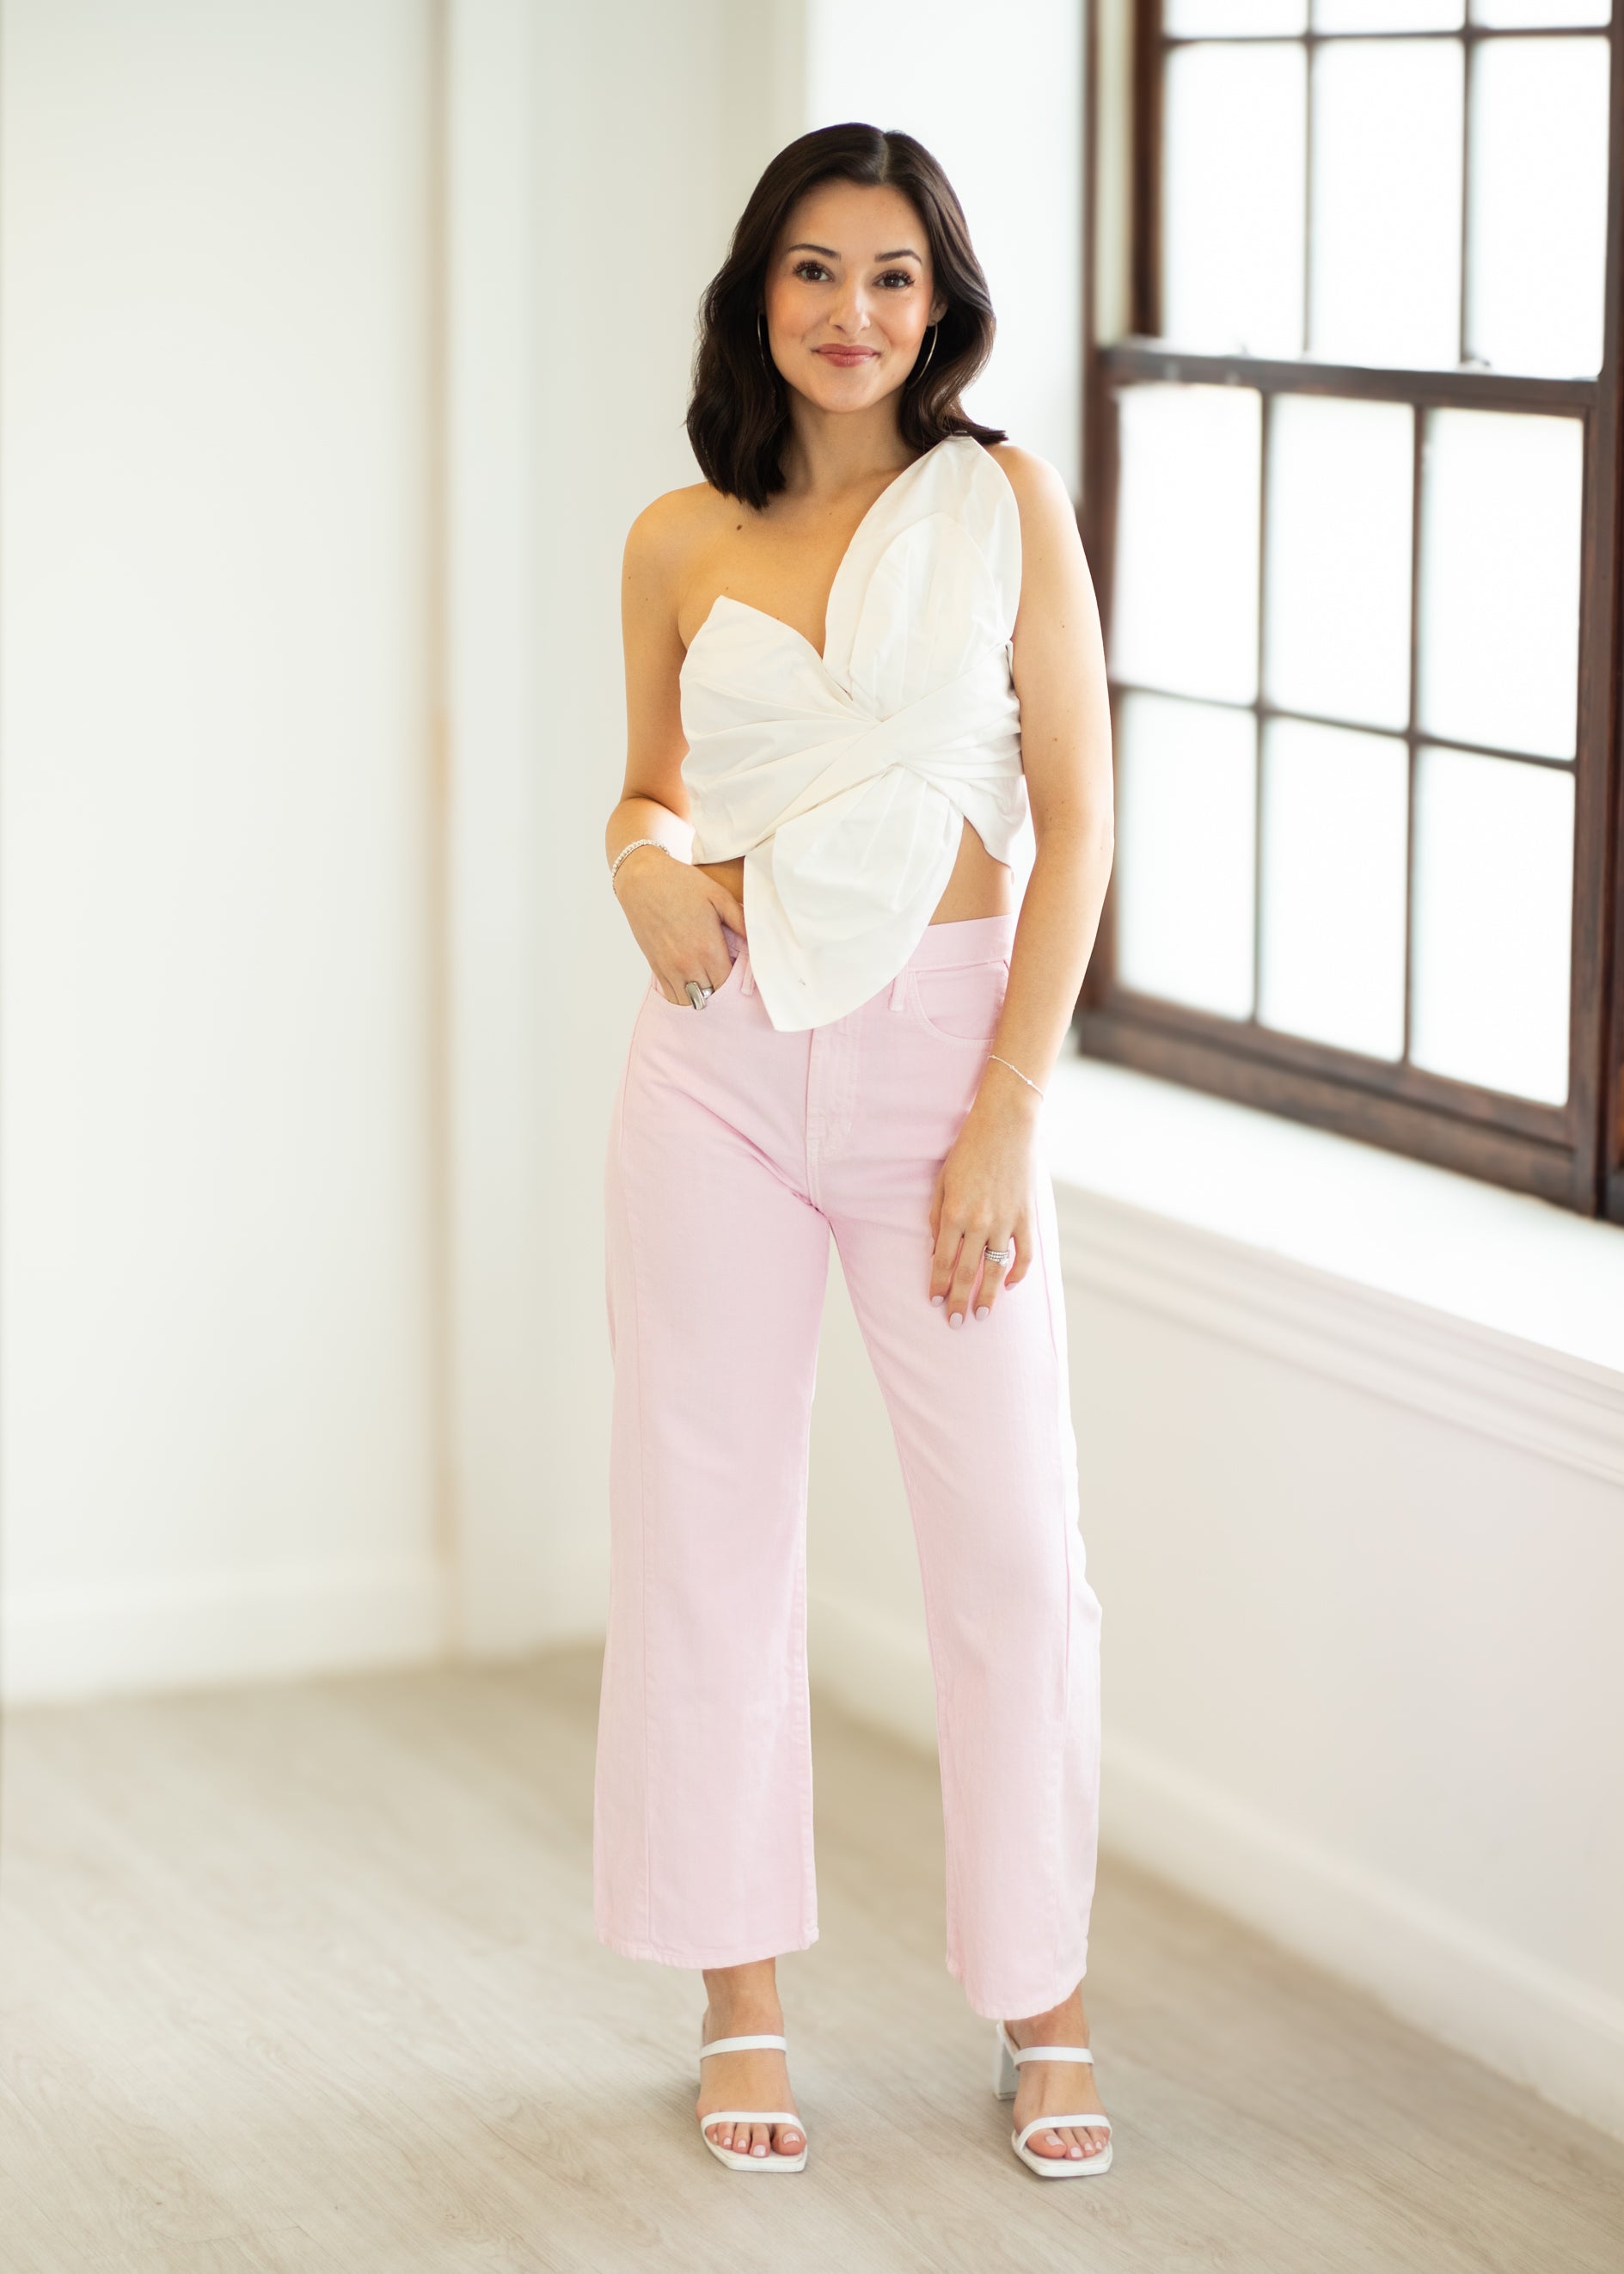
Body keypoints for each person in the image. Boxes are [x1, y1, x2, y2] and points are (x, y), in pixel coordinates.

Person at [596, 121, 1116, 2180]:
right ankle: (739, 1993)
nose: (852, 313)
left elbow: (1073, 825)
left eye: (892, 274)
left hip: (941, 1078)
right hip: (717, 1064)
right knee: (706, 1529)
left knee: (1011, 1553)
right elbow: (646, 794)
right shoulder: (674, 537)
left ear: (943, 299)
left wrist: (1005, 1113)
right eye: (815, 270)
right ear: (758, 293)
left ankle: (1047, 2006)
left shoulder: (1001, 504)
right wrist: (632, 863)